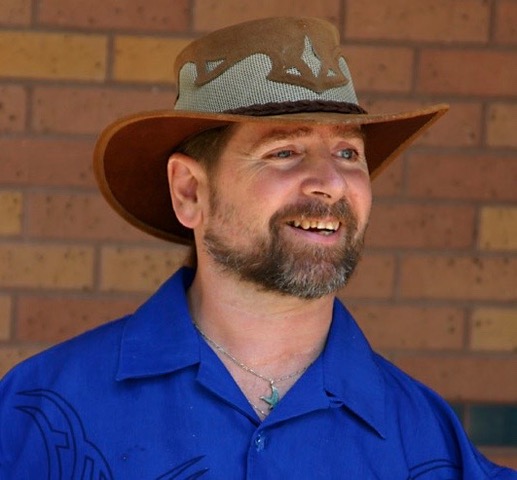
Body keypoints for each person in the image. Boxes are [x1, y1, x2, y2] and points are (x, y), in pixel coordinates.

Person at [0, 16, 515, 480]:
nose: (331, 183)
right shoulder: (40, 412)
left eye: (348, 152)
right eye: (285, 151)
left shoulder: (428, 444)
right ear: (191, 192)